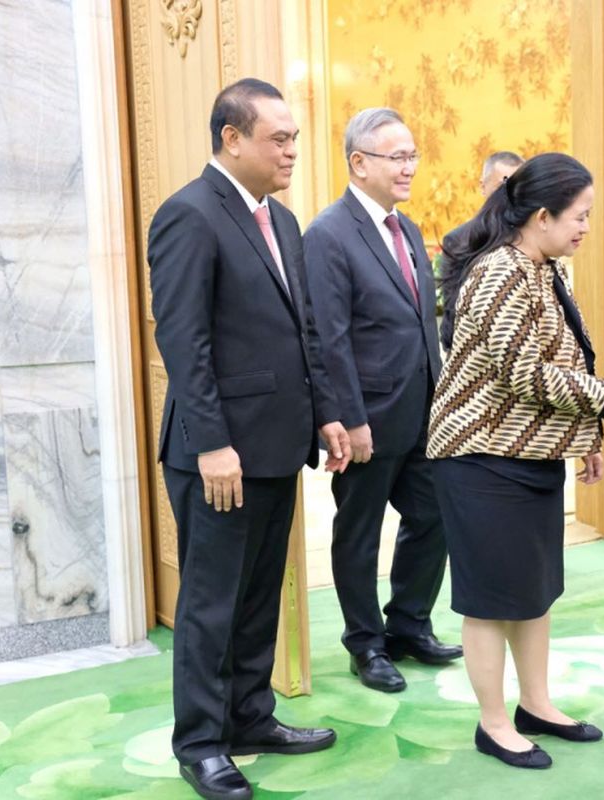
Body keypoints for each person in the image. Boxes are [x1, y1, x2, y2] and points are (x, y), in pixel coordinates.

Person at [148, 78, 350, 800]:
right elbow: (184, 339)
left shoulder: (283, 222)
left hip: (274, 445)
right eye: (279, 138)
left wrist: (326, 410)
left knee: (262, 592)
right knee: (211, 603)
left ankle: (250, 715)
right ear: (232, 138)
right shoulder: (188, 216)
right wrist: (210, 443)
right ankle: (200, 743)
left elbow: (306, 333)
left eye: (294, 138)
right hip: (218, 456)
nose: (292, 150)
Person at [427, 153, 604, 770]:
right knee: (490, 599)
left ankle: (536, 705)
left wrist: (586, 439)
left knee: (533, 592)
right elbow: (522, 374)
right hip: (480, 459)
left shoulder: (541, 267)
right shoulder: (501, 272)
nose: (584, 227)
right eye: (578, 216)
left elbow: (564, 360)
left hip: (525, 454)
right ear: (543, 215)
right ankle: (493, 723)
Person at [303, 107, 462, 694]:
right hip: (367, 418)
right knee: (360, 531)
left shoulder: (407, 229)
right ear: (359, 162)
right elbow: (327, 335)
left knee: (434, 515)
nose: (409, 167)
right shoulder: (327, 234)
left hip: (424, 411)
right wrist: (348, 417)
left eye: (413, 155)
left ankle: (409, 626)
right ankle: (364, 644)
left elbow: (422, 322)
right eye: (397, 156)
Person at [439, 151, 525, 350]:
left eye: (517, 188)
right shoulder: (459, 240)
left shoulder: (533, 237)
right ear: (482, 187)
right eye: (502, 187)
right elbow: (452, 313)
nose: (508, 196)